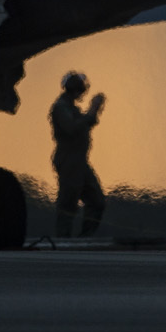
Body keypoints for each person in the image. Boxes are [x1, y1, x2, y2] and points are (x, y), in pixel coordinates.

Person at [50, 70, 106, 237]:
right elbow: (72, 128)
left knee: (97, 201)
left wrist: (93, 112)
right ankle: (63, 240)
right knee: (68, 203)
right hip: (69, 160)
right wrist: (92, 109)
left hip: (80, 161)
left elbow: (85, 123)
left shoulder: (70, 108)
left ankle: (85, 238)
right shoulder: (61, 108)